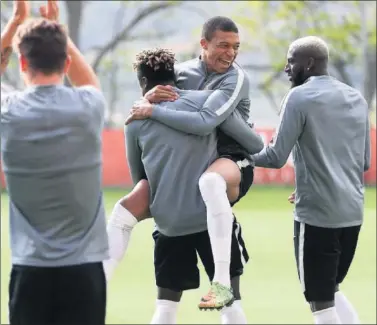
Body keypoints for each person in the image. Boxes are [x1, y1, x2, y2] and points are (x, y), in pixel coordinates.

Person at [104, 16, 260, 310]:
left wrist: (151, 111)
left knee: (210, 183)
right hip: (194, 194)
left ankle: (222, 281)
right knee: (126, 211)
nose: (231, 53)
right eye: (223, 45)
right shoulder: (184, 78)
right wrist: (150, 99)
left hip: (232, 161)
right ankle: (94, 285)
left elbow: (207, 123)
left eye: (236, 47)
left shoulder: (234, 78)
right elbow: (172, 102)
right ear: (203, 45)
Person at [1, 1, 108, 324]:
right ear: (65, 60)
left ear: (22, 62)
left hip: (30, 271)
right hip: (85, 273)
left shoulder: (8, 112)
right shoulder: (89, 106)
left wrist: (14, 24)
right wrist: (60, 31)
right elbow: (88, 81)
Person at [251, 36, 371, 325]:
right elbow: (363, 163)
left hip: (318, 217)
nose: (286, 69)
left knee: (321, 304)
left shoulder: (298, 97)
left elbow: (275, 156)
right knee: (331, 291)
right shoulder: (357, 98)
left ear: (309, 63)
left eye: (291, 61)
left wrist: (236, 153)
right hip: (353, 216)